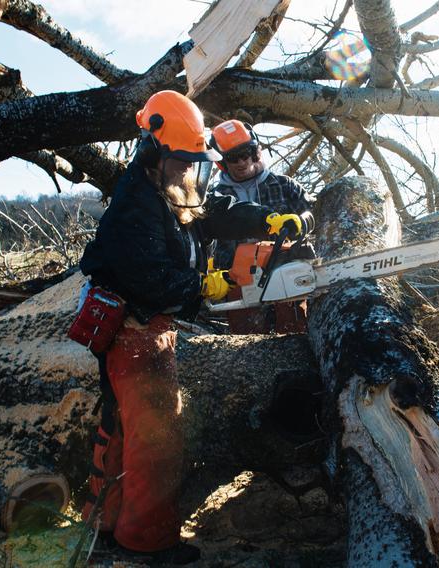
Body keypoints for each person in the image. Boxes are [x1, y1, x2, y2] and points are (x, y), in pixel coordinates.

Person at [77, 91, 305, 564]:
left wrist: (268, 220)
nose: (188, 174)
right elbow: (154, 279)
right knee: (159, 434)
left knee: (118, 424)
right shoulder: (134, 209)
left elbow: (216, 210)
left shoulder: (168, 188)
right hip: (133, 330)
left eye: (192, 165)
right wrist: (205, 285)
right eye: (182, 164)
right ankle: (146, 541)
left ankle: (103, 521)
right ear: (157, 155)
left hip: (141, 327)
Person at [208, 119, 313, 333]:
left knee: (294, 333)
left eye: (245, 153)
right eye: (232, 158)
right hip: (239, 279)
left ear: (255, 151)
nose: (241, 161)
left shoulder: (284, 185)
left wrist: (302, 222)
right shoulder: (215, 197)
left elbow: (315, 212)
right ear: (221, 162)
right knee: (247, 344)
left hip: (286, 272)